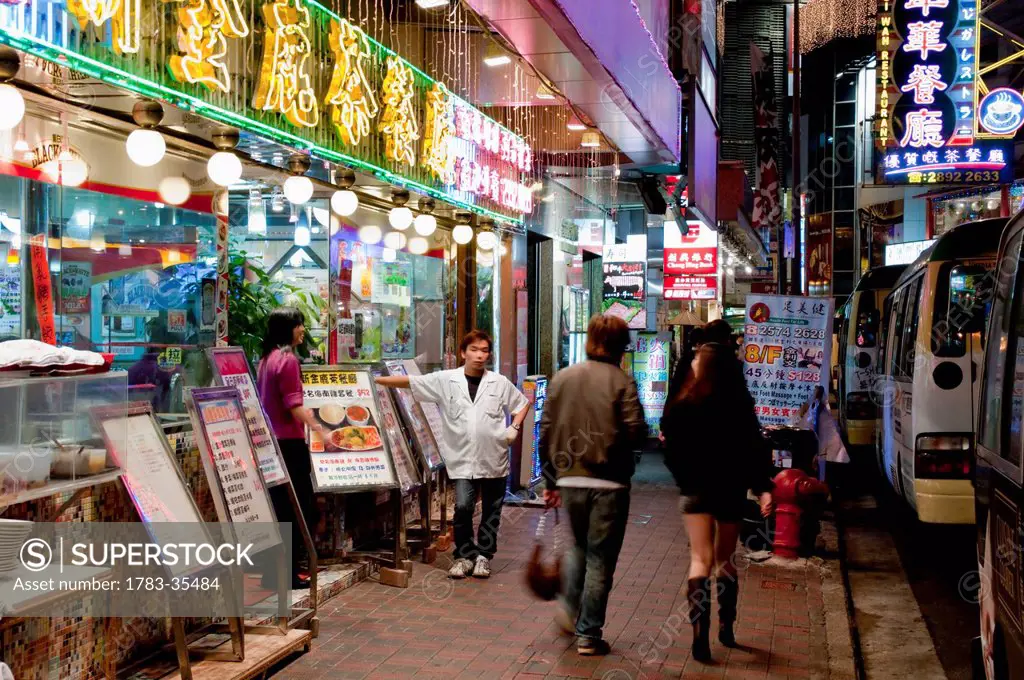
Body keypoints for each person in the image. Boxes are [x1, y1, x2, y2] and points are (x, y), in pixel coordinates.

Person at [375, 330, 530, 579]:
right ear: (462, 352)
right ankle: (463, 555)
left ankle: (483, 557)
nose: (479, 355)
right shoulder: (446, 379)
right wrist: (373, 381)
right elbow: (411, 383)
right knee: (463, 506)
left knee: (491, 510)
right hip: (462, 458)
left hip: (494, 457)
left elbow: (522, 403)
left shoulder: (498, 382)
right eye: (474, 350)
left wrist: (514, 426)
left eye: (484, 350)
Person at [539, 314, 647, 657]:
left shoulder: (563, 378)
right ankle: (589, 634)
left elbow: (546, 431)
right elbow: (636, 430)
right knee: (600, 557)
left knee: (579, 547)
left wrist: (551, 479)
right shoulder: (622, 381)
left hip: (570, 478)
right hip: (610, 482)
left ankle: (569, 608)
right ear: (621, 345)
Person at [662, 343, 774, 663]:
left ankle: (699, 635)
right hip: (730, 490)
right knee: (725, 559)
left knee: (700, 559)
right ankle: (726, 624)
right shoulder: (739, 404)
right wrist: (763, 487)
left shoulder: (685, 403)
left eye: (697, 358)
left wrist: (684, 477)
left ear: (707, 366)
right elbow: (754, 449)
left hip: (695, 490)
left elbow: (670, 447)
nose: (693, 361)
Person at [256, 307, 326, 590]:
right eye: (299, 324)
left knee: (280, 509)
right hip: (289, 444)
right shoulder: (287, 361)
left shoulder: (266, 359)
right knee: (298, 508)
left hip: (272, 444)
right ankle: (287, 573)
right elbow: (294, 406)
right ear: (289, 328)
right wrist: (322, 429)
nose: (303, 330)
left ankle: (275, 572)